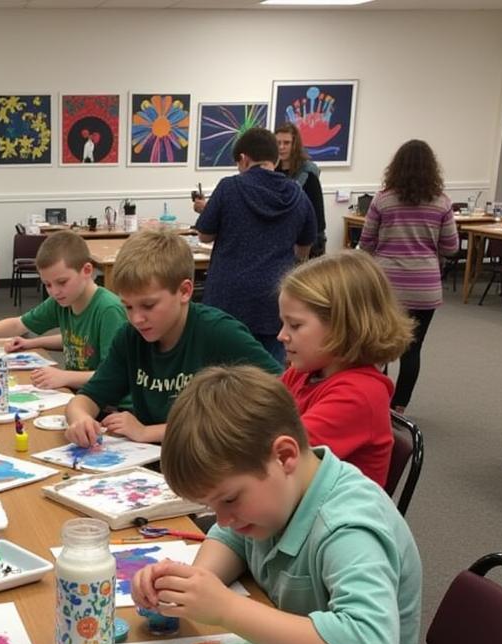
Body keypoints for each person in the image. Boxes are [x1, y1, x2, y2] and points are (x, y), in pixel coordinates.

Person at [131, 365, 424, 644]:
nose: (221, 519)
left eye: (229, 499)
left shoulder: (348, 528)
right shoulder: (278, 496)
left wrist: (225, 608)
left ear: (284, 455)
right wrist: (196, 580)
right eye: (213, 507)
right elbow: (233, 538)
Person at [64, 229, 280, 448]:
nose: (136, 319)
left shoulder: (219, 333)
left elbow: (282, 394)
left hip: (210, 463)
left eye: (148, 306)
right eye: (128, 306)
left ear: (185, 291)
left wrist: (148, 431)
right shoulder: (130, 338)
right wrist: (80, 419)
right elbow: (87, 398)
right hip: (153, 460)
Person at [278, 250, 412, 487]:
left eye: (295, 325)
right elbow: (257, 417)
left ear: (343, 325)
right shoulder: (305, 372)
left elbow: (277, 456)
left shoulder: (359, 395)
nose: (282, 335)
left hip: (325, 519)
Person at [0, 230, 126, 391]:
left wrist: (65, 376)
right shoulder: (63, 300)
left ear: (87, 270)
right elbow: (19, 325)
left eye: (62, 282)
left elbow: (113, 375)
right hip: (81, 393)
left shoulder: (109, 310)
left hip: (110, 407)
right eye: (47, 285)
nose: (54, 291)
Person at [194, 127, 316, 362]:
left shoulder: (230, 187)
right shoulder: (298, 195)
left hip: (228, 296)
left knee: (222, 373)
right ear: (276, 158)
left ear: (243, 159)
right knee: (268, 374)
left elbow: (204, 236)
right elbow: (303, 250)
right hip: (276, 296)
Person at [358, 139, 458, 413]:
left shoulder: (383, 199)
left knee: (377, 346)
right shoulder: (442, 202)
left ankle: (372, 400)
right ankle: (399, 407)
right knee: (412, 349)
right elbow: (451, 248)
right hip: (424, 286)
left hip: (387, 286)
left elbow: (366, 242)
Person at [275, 122, 326, 257]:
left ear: (295, 145)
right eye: (278, 143)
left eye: (286, 143)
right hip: (276, 242)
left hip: (302, 243)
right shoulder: (271, 171)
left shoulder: (308, 174)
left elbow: (318, 218)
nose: (281, 147)